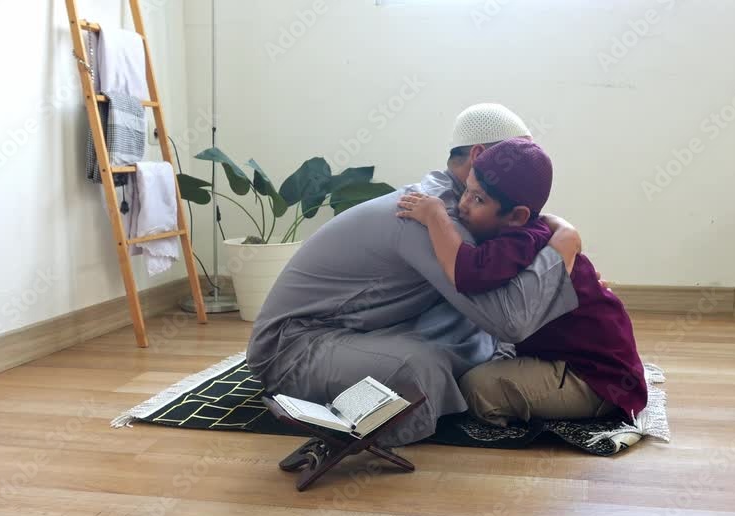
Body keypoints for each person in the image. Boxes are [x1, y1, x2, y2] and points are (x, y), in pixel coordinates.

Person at [246, 103, 583, 447]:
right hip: (292, 347)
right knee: (421, 369)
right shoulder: (430, 216)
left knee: (474, 335)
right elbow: (508, 321)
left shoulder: (463, 208)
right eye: (515, 153)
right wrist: (564, 243)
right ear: (479, 155)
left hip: (362, 328)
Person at [396, 138, 647, 426]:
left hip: (597, 380)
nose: (463, 204)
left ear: (517, 216)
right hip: (566, 356)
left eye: (478, 200)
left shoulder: (519, 243)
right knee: (483, 362)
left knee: (476, 389)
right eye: (467, 191)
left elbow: (466, 272)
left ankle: (582, 411)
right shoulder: (524, 231)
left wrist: (435, 215)